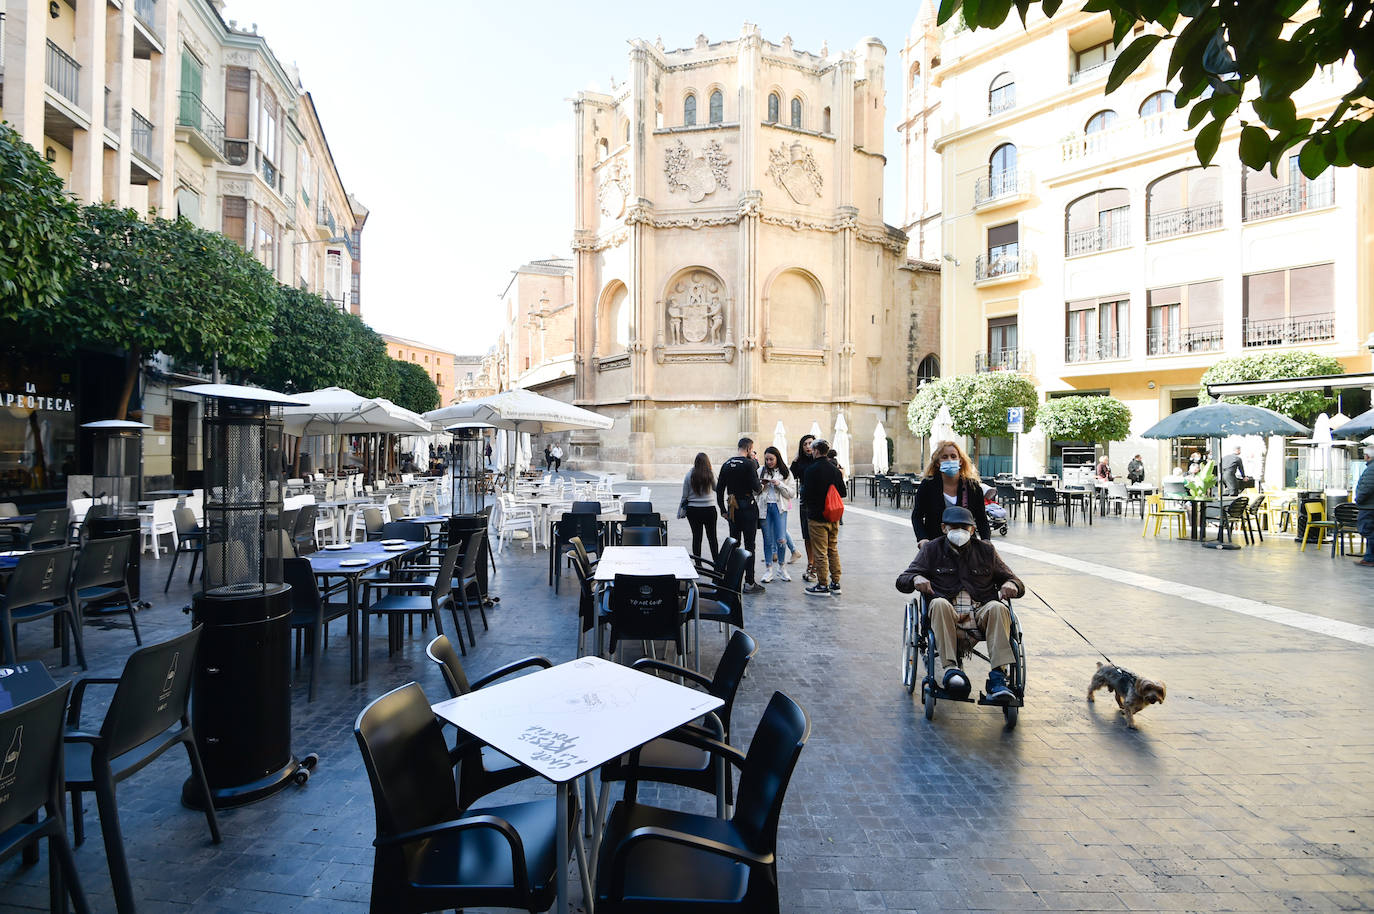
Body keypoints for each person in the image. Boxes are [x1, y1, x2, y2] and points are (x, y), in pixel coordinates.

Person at [895, 505, 1024, 704]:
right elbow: (903, 579)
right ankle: (951, 670)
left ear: (973, 530)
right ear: (944, 528)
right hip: (947, 614)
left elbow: (1014, 580)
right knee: (938, 603)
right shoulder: (932, 549)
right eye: (954, 527)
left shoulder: (986, 551)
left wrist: (1011, 584)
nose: (960, 531)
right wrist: (915, 579)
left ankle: (998, 678)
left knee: (999, 607)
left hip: (980, 611)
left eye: (965, 527)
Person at [911, 440, 990, 547]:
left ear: (960, 461)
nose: (949, 460)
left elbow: (981, 518)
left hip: (966, 546)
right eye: (944, 457)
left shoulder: (972, 487)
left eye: (953, 456)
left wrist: (986, 540)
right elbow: (917, 516)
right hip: (935, 545)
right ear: (938, 462)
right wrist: (922, 539)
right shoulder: (927, 485)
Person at [716, 437, 764, 593]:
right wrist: (762, 484)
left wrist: (723, 510)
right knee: (750, 545)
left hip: (732, 507)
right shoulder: (749, 464)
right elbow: (757, 488)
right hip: (747, 507)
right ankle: (749, 582)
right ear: (749, 449)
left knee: (734, 544)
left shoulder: (727, 464)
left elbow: (719, 489)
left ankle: (733, 581)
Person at [802, 439, 846, 597]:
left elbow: (806, 495)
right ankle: (835, 582)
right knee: (832, 549)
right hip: (833, 517)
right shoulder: (834, 469)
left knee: (820, 552)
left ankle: (822, 585)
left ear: (816, 451)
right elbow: (843, 492)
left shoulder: (811, 470)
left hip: (817, 517)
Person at [758, 446, 796, 583]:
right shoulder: (760, 471)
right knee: (767, 540)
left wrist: (780, 484)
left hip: (780, 508)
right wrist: (761, 486)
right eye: (767, 459)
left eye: (771, 459)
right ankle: (768, 569)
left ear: (777, 458)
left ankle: (782, 567)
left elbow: (792, 493)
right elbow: (754, 492)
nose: (768, 462)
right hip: (764, 508)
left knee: (781, 540)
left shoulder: (786, 472)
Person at [680, 452, 719, 562]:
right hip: (709, 509)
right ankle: (717, 563)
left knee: (697, 537)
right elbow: (717, 488)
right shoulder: (710, 473)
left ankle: (698, 564)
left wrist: (682, 510)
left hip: (693, 510)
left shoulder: (689, 475)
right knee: (712, 538)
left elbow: (685, 495)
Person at [790, 434, 819, 581]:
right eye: (805, 444)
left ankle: (818, 565)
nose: (808, 446)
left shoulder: (820, 460)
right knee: (807, 535)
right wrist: (795, 460)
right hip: (805, 502)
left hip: (819, 501)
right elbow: (791, 475)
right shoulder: (800, 462)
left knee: (818, 535)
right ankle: (810, 563)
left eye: (810, 443)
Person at [1355, 444, 1374, 568]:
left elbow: (1367, 487)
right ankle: (1368, 557)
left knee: (1366, 530)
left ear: (1367, 456)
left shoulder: (1371, 469)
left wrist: (1358, 499)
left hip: (1368, 506)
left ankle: (1370, 558)